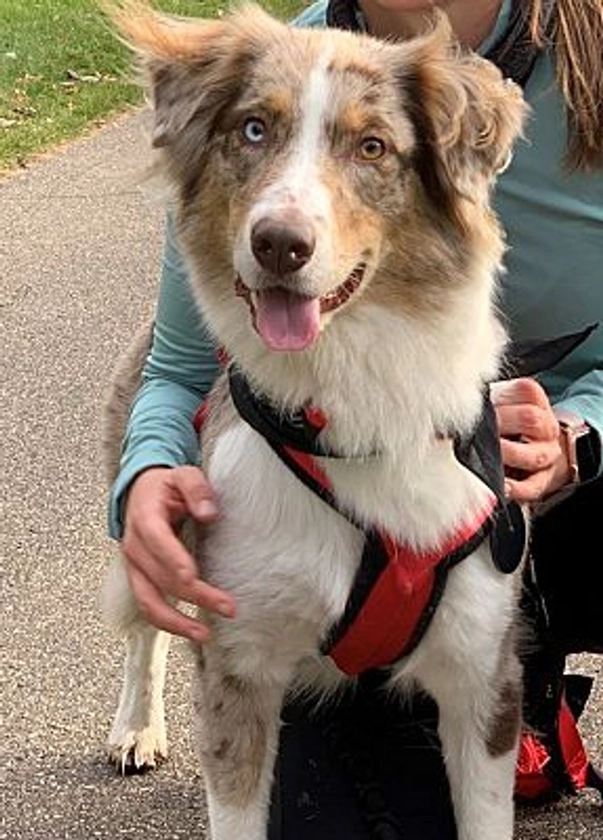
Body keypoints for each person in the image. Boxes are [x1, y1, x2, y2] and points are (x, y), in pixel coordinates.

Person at [107, 0, 603, 836]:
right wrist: (144, 472)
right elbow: (178, 366)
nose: (285, 215)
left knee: (480, 655)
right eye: (257, 134)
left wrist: (583, 430)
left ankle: (529, 672)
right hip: (348, 485)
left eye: (369, 145)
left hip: (559, 469)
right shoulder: (281, 52)